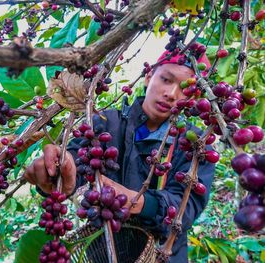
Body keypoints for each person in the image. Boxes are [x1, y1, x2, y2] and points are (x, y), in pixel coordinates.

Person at [24, 50, 215, 262]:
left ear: (193, 97)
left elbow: (187, 207)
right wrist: (58, 171)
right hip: (103, 250)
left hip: (164, 255)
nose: (171, 93)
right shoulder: (107, 122)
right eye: (166, 79)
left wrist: (136, 202)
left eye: (184, 88)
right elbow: (77, 159)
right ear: (149, 76)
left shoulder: (194, 143)